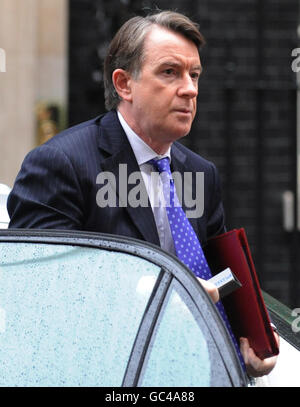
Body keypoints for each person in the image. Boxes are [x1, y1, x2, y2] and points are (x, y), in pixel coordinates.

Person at [7, 10, 278, 378]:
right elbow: (44, 290)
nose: (190, 89)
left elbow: (220, 276)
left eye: (194, 75)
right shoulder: (61, 164)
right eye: (170, 72)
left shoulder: (200, 172)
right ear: (124, 84)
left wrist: (251, 338)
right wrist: (156, 293)